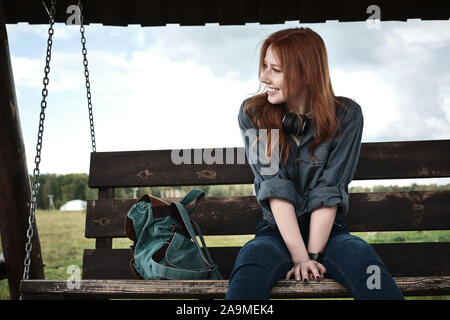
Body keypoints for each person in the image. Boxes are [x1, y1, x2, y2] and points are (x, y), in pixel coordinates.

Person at [225, 27, 404, 300]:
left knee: (363, 259)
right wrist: (300, 258)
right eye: (264, 66)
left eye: (276, 69)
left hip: (331, 233)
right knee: (252, 260)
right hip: (276, 232)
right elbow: (275, 186)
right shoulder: (254, 113)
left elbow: (328, 189)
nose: (264, 77)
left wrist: (313, 256)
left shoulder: (347, 116)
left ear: (305, 74)